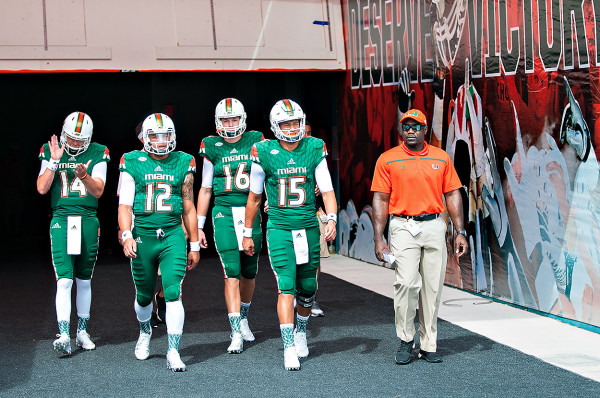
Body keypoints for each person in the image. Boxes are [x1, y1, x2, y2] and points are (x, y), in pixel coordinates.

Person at [243, 99, 337, 371]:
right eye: (287, 123)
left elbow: (327, 189)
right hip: (280, 228)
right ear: (276, 126)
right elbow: (254, 197)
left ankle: (301, 331)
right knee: (286, 284)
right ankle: (288, 346)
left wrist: (331, 218)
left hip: (308, 226)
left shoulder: (313, 147)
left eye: (296, 122)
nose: (293, 128)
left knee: (308, 288)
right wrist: (248, 232)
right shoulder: (263, 151)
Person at [371, 109, 468, 365]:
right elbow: (380, 198)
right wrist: (379, 238)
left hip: (435, 225)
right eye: (407, 127)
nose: (411, 131)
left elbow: (453, 195)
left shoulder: (441, 158)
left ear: (425, 130)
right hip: (403, 226)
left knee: (433, 287)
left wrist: (460, 231)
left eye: (416, 127)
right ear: (401, 131)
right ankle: (405, 339)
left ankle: (428, 343)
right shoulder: (387, 159)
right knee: (405, 282)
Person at [118, 113, 200, 372]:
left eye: (166, 135)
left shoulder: (184, 161)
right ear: (145, 137)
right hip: (142, 235)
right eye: (155, 136)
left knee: (173, 291)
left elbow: (188, 207)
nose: (162, 141)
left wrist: (195, 243)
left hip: (173, 234)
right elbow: (124, 205)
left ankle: (173, 350)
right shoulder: (132, 161)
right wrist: (126, 234)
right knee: (143, 295)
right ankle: (145, 332)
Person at [36, 112, 110, 356]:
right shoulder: (51, 150)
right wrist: (54, 162)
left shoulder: (99, 151)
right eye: (72, 139)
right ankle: (64, 333)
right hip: (61, 218)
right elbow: (42, 188)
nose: (76, 144)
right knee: (65, 279)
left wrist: (84, 176)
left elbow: (98, 191)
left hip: (88, 218)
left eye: (81, 140)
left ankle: (82, 331)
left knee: (84, 279)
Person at [197, 98, 264, 353]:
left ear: (243, 119)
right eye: (225, 120)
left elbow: (268, 171)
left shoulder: (256, 139)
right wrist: (199, 225)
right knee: (231, 270)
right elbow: (204, 188)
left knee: (249, 270)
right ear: (218, 122)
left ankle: (244, 316)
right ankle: (235, 329)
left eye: (234, 119)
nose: (230, 124)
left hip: (250, 210)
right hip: (224, 211)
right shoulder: (212, 145)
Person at [305, 121, 328, 317]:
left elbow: (328, 188)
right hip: (292, 217)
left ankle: (311, 298)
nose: (306, 136)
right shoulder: (283, 154)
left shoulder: (317, 155)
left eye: (309, 133)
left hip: (314, 212)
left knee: (316, 259)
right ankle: (297, 295)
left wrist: (321, 187)